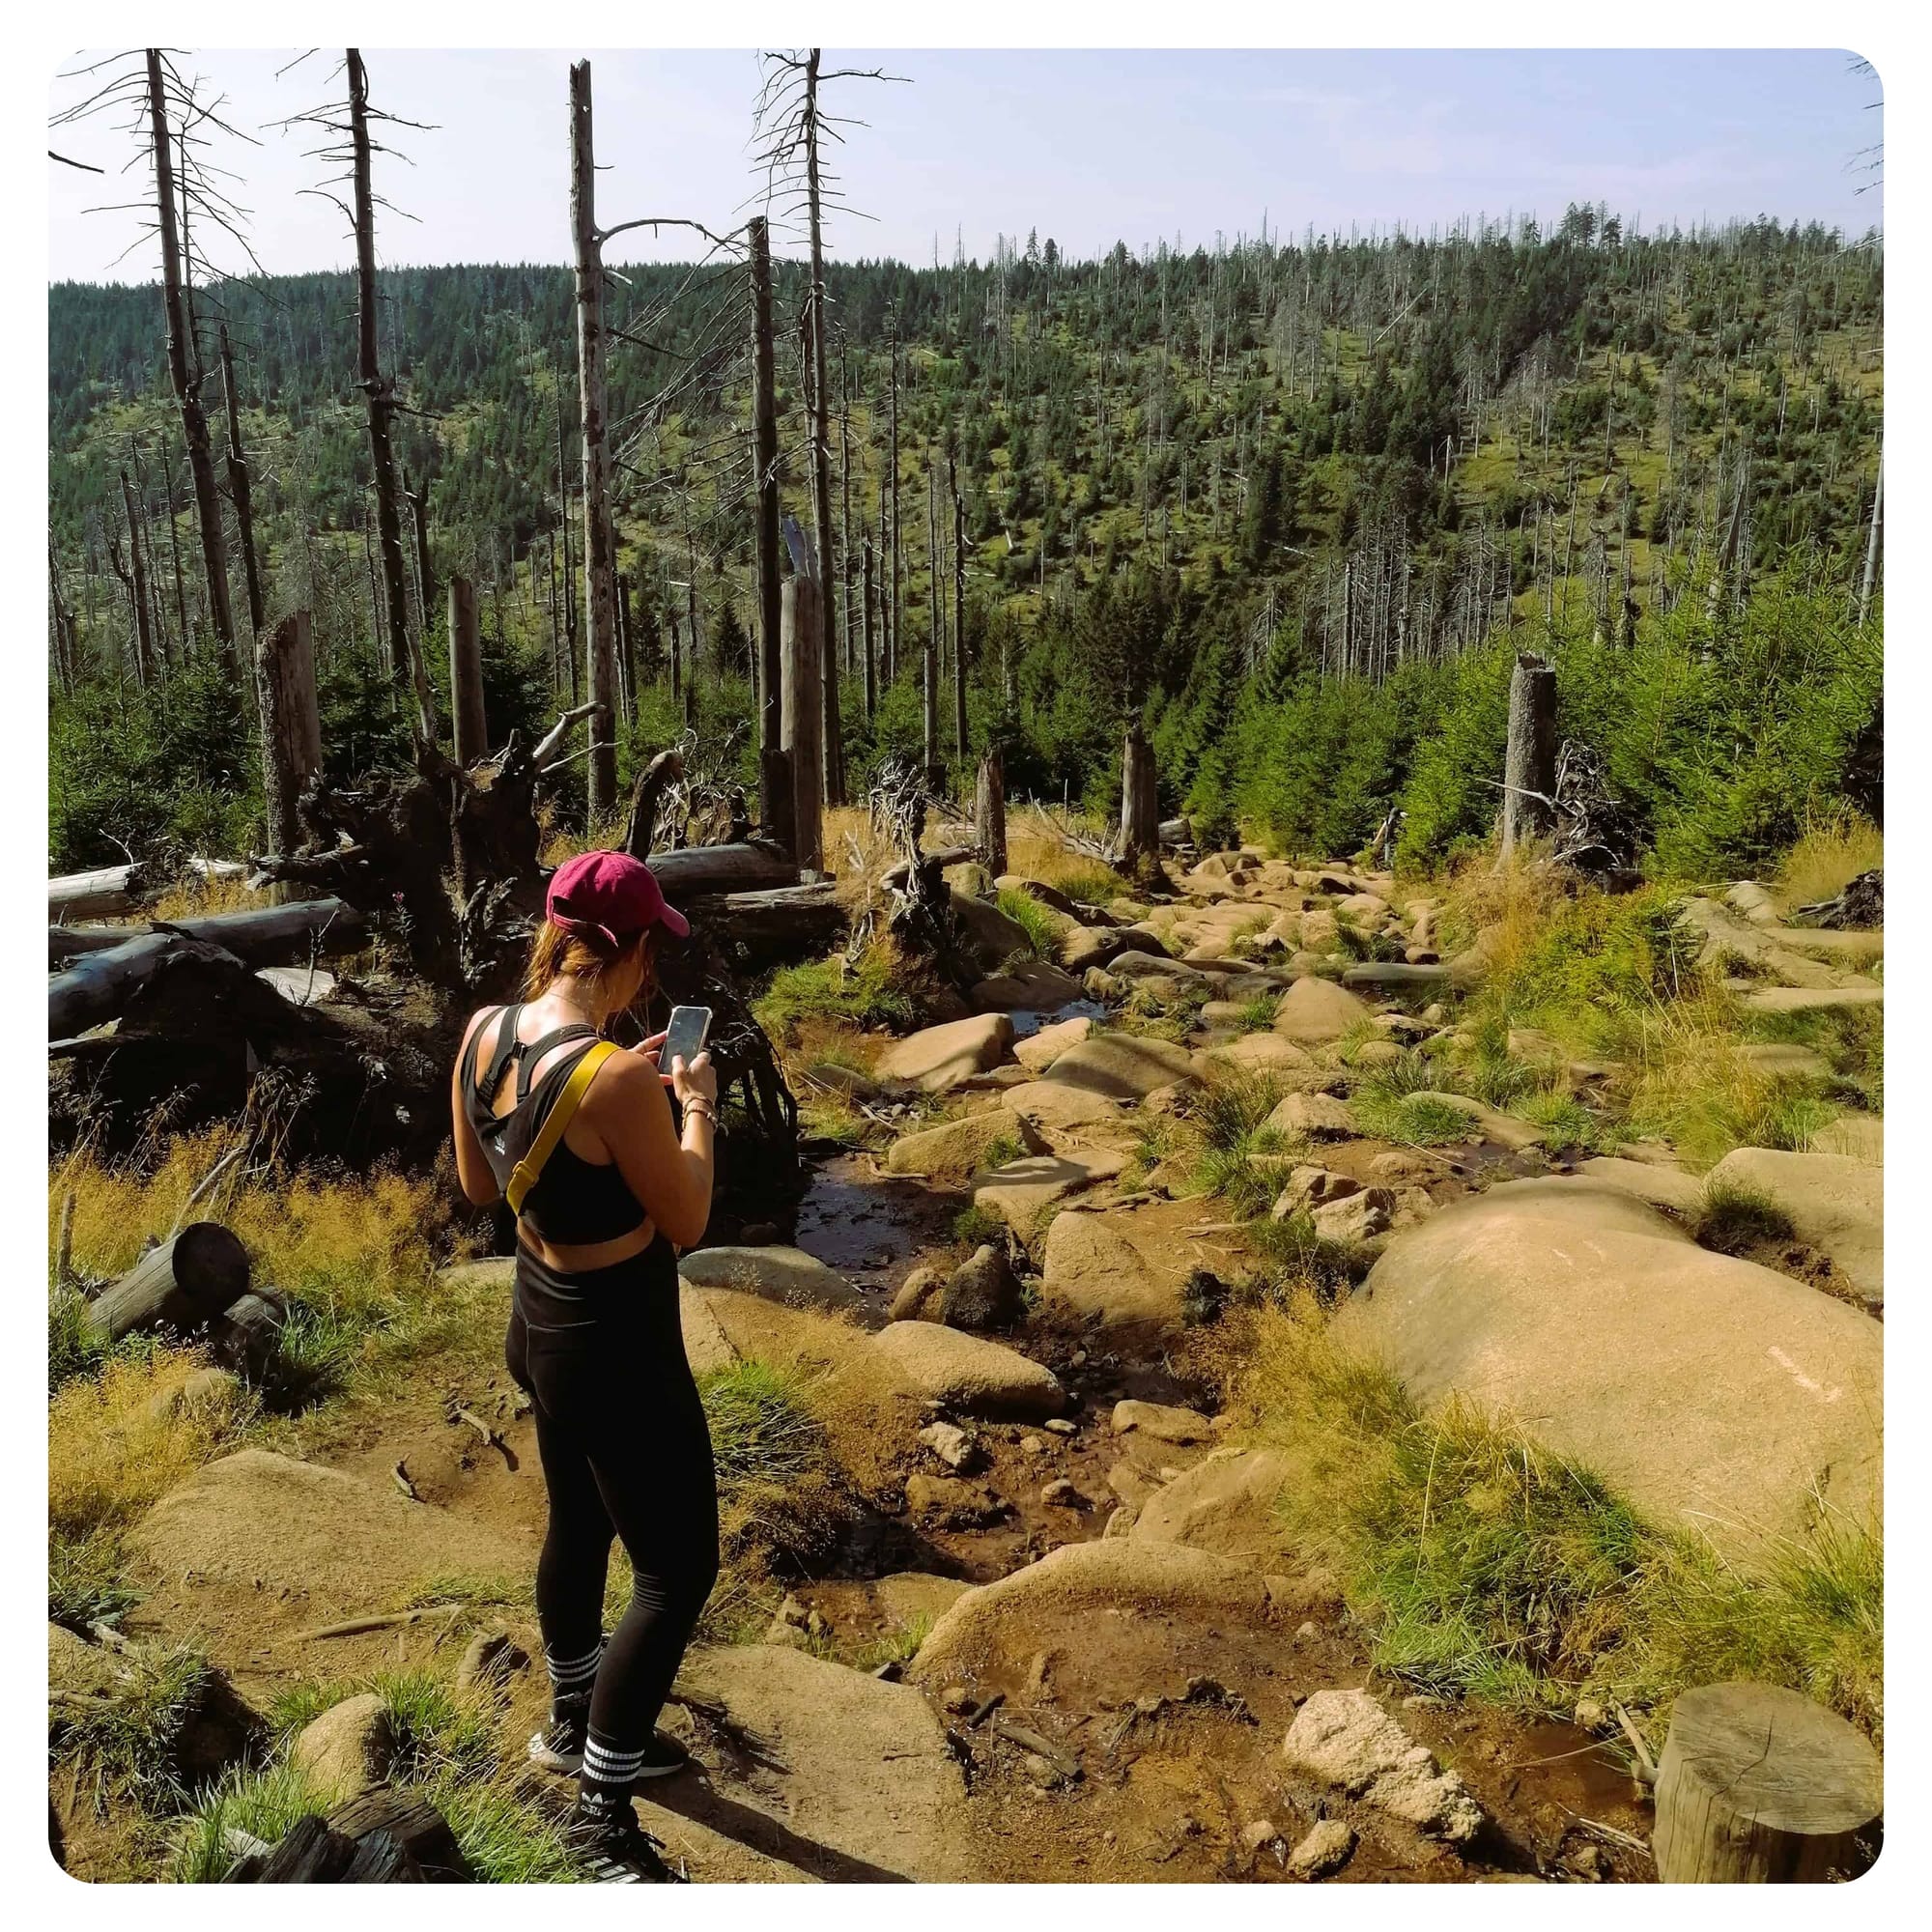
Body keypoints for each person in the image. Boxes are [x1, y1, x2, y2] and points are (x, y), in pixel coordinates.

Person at [449, 849, 720, 1884]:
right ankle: (599, 1820)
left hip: (539, 1325)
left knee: (580, 1519)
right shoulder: (613, 1077)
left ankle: (572, 1716)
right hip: (618, 1343)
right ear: (635, 951)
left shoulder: (482, 1030)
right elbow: (686, 1216)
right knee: (675, 1569)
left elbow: (481, 1185)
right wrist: (692, 1103)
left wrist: (612, 1107)